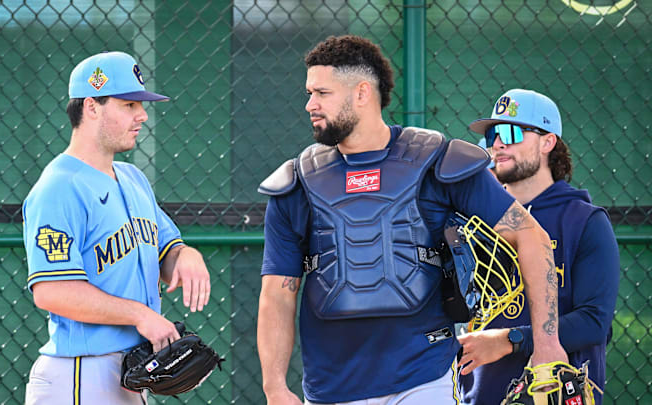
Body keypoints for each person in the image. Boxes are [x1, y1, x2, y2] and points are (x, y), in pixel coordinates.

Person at [256, 35, 567, 405]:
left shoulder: (438, 162)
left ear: (361, 93)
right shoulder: (297, 182)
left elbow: (530, 236)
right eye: (310, 93)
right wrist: (274, 386)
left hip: (424, 379)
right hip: (330, 388)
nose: (310, 104)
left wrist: (547, 344)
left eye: (322, 93)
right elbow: (277, 291)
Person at [22, 51, 211, 404]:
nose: (142, 115)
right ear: (92, 106)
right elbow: (51, 291)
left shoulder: (132, 177)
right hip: (80, 375)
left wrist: (185, 255)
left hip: (129, 372)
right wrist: (140, 315)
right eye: (128, 104)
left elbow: (166, 250)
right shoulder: (59, 187)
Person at [457, 89, 620, 404]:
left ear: (548, 142)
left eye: (510, 132)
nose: (498, 143)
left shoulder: (584, 221)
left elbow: (594, 322)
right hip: (478, 395)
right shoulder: (476, 221)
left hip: (550, 392)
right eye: (492, 134)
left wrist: (511, 340)